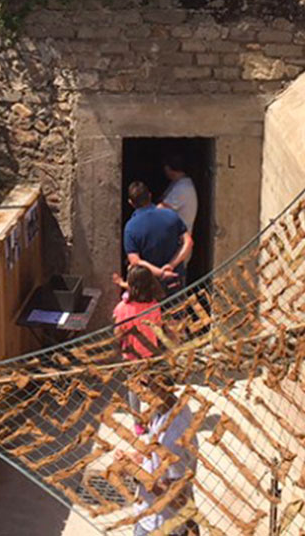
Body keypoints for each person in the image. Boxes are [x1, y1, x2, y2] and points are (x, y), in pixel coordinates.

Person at [128, 376, 198, 536]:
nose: (138, 391)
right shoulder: (169, 408)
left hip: (158, 524)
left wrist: (134, 471)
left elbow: (175, 495)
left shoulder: (172, 437)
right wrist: (140, 458)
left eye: (143, 384)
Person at [112, 265, 165, 434]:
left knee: (134, 388)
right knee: (153, 387)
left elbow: (118, 332)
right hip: (150, 353)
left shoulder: (122, 308)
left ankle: (138, 424)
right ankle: (155, 419)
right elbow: (158, 327)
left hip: (131, 355)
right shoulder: (154, 306)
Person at [124, 181, 193, 288]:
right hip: (174, 279)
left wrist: (161, 273)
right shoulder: (171, 215)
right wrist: (171, 265)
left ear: (130, 203)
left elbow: (135, 261)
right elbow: (188, 242)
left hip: (149, 285)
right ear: (150, 196)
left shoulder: (131, 227)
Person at [158, 153, 198, 235]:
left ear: (168, 168)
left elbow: (159, 210)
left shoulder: (183, 188)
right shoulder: (177, 183)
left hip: (179, 238)